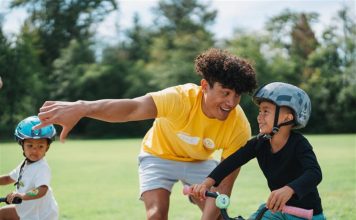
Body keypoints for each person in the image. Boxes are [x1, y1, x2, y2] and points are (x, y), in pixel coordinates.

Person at [34, 48, 257, 220]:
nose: (231, 103)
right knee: (156, 215)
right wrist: (84, 107)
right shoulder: (180, 99)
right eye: (225, 93)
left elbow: (225, 185)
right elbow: (132, 108)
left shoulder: (239, 126)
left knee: (215, 214)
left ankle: (199, 201)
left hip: (200, 162)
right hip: (158, 155)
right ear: (204, 86)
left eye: (236, 96)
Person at [189, 82, 326, 220]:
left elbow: (314, 173)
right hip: (276, 211)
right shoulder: (260, 143)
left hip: (306, 214)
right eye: (260, 111)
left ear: (287, 117)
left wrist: (289, 189)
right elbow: (231, 162)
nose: (259, 117)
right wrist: (206, 183)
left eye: (266, 111)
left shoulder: (299, 144)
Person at [0, 116, 59, 220]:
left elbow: (41, 190)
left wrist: (22, 195)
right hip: (26, 211)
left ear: (47, 148)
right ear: (22, 145)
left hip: (41, 216)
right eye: (30, 145)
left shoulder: (42, 168)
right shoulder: (25, 164)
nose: (35, 150)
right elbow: (8, 178)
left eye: (40, 146)